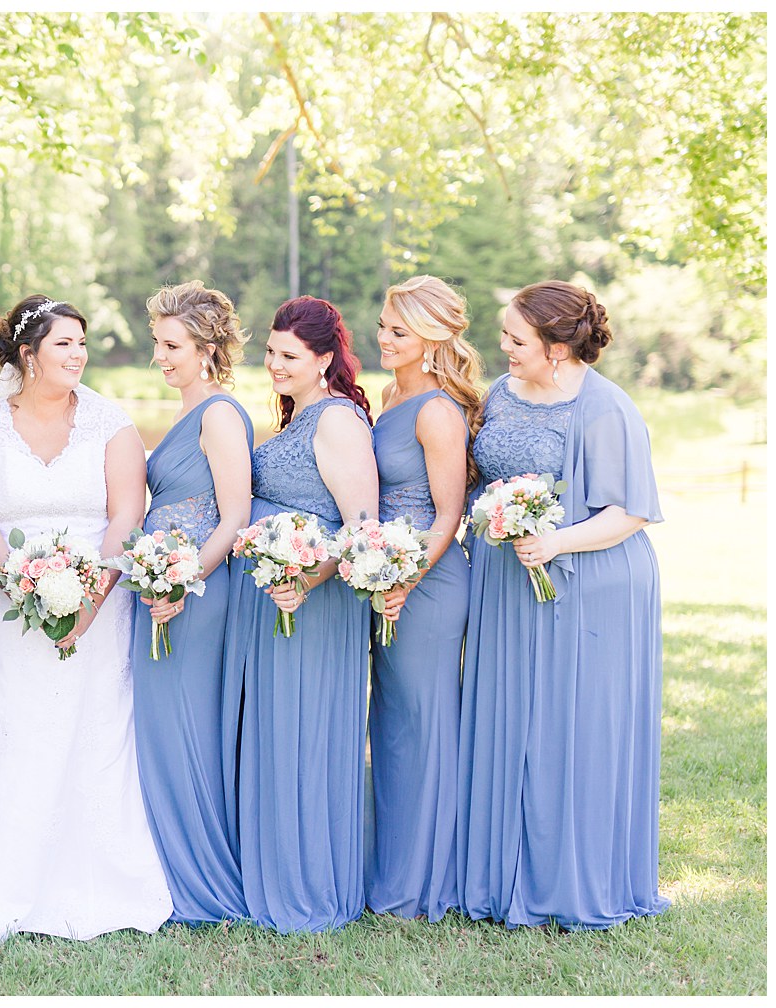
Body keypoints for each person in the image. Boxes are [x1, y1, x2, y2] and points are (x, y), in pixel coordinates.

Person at [0, 295, 173, 951]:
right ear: (28, 355)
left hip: (98, 604)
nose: (78, 355)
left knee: (93, 730)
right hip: (8, 611)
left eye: (82, 343)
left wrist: (89, 600)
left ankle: (94, 880)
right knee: (10, 730)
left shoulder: (112, 425)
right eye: (64, 344)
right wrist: (25, 588)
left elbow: (122, 518)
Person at [458, 280, 667, 929]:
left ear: (555, 347)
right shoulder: (499, 393)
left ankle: (571, 880)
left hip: (591, 586)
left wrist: (554, 542)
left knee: (571, 730)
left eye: (517, 340)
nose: (504, 349)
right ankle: (503, 875)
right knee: (512, 724)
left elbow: (631, 510)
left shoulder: (605, 409)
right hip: (507, 585)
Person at [224, 295, 377, 932]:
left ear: (322, 360)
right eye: (269, 352)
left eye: (288, 356)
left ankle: (309, 880)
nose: (274, 365)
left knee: (304, 732)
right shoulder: (297, 417)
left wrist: (309, 580)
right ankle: (272, 867)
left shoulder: (337, 419)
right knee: (274, 733)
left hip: (312, 605)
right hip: (278, 597)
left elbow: (362, 525)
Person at [131, 281, 252, 925]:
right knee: (160, 726)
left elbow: (233, 518)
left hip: (195, 596)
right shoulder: (188, 412)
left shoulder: (221, 415)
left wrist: (180, 583)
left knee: (187, 725)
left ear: (207, 348)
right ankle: (163, 867)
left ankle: (201, 874)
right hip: (160, 589)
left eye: (171, 345)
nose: (160, 356)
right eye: (157, 343)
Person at [364, 276, 481, 922]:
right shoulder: (389, 396)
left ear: (432, 337)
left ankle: (424, 883)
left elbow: (448, 513)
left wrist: (406, 577)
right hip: (385, 575)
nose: (384, 338)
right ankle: (391, 864)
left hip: (429, 583)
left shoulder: (437, 410)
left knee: (425, 723)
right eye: (383, 325)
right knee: (392, 724)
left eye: (398, 331)